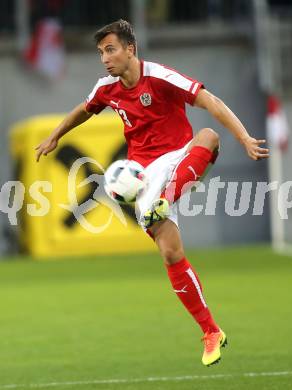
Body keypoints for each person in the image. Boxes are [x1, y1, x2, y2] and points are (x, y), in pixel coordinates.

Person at [35, 19, 269, 366]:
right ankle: (210, 331)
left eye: (110, 50)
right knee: (171, 254)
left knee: (208, 136)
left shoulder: (159, 76)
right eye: (101, 52)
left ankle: (167, 200)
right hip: (142, 176)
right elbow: (83, 110)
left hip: (180, 155)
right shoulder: (106, 88)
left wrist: (245, 137)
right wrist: (56, 135)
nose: (105, 59)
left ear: (131, 49)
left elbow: (211, 100)